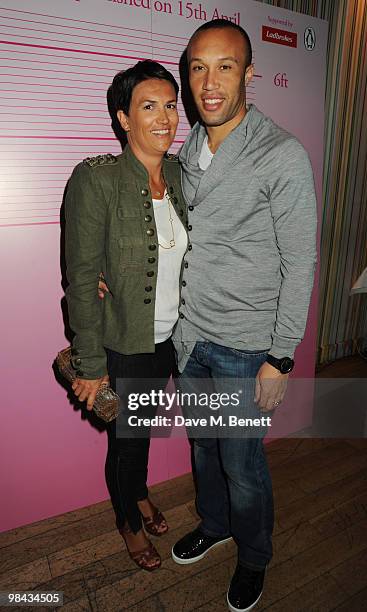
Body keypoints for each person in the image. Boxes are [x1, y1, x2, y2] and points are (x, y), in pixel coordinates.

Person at [170, 20, 317, 612]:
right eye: (198, 67)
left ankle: (254, 554)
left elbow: (300, 261)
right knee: (204, 448)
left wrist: (280, 356)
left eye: (225, 66)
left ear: (249, 74)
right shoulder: (190, 148)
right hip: (192, 335)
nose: (209, 82)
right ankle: (215, 523)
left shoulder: (281, 154)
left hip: (243, 345)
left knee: (244, 463)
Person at [64, 60, 188, 571]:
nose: (164, 118)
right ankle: (129, 522)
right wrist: (92, 365)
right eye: (148, 107)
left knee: (144, 433)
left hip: (172, 340)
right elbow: (81, 278)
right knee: (129, 442)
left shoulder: (184, 175)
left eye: (171, 105)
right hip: (124, 342)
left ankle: (137, 494)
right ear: (123, 118)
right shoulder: (97, 180)